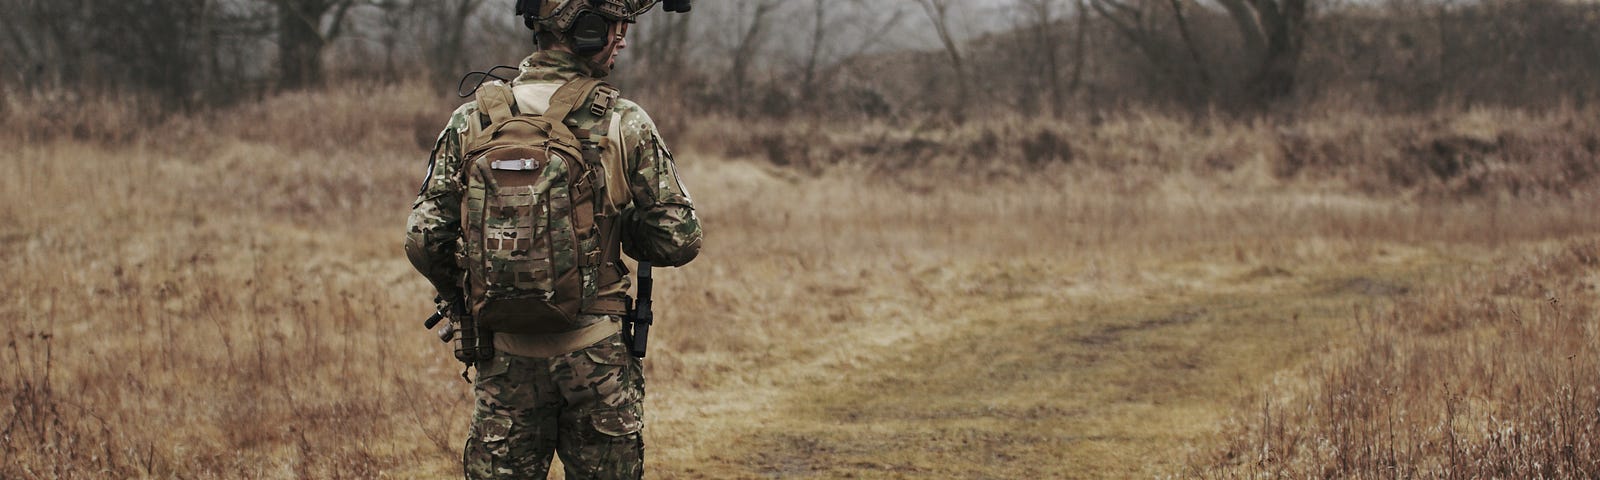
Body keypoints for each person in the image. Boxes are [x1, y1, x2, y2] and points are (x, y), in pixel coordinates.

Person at [404, 1, 701, 478]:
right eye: (615, 28)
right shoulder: (623, 120)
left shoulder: (472, 120)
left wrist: (467, 294)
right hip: (596, 357)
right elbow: (680, 238)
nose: (621, 40)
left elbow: (422, 238)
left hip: (504, 358)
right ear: (586, 30)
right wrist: (613, 229)